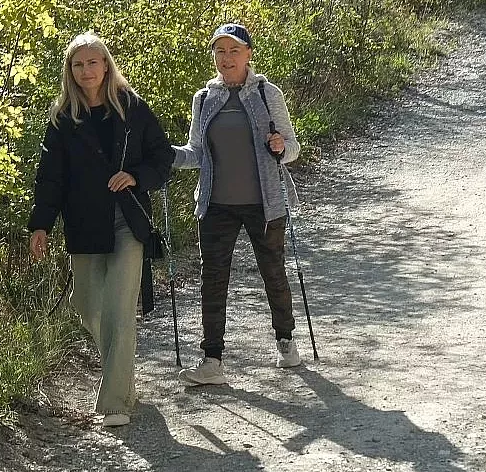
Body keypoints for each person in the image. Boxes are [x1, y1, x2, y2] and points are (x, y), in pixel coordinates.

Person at [28, 32, 174, 426]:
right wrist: (41, 225)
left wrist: (136, 176)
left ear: (106, 65)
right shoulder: (63, 119)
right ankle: (123, 380)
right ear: (69, 71)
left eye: (93, 62)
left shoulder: (132, 108)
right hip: (84, 223)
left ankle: (115, 403)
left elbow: (162, 157)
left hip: (128, 220)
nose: (86, 70)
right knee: (88, 306)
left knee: (119, 308)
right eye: (78, 64)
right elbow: (50, 177)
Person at [173, 23, 302, 386]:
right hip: (215, 204)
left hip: (264, 203)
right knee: (212, 281)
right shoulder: (204, 98)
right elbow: (196, 152)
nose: (226, 58)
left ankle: (285, 340)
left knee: (273, 273)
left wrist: (281, 147)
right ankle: (212, 360)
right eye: (220, 51)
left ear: (248, 55)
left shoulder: (267, 93)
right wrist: (166, 156)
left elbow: (292, 148)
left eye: (234, 51)